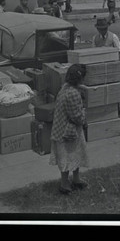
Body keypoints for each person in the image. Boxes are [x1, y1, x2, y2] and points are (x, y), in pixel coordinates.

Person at [49, 64, 88, 194]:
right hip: (68, 132)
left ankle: (76, 180)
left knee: (74, 155)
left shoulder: (65, 88)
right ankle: (64, 184)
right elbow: (77, 116)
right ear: (80, 79)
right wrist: (84, 112)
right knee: (68, 156)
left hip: (61, 129)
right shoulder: (73, 94)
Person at [90, 18, 120, 115]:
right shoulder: (95, 38)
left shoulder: (113, 37)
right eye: (101, 29)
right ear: (97, 29)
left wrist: (119, 66)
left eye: (104, 29)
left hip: (113, 67)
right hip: (101, 67)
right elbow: (93, 53)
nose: (103, 31)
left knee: (117, 87)